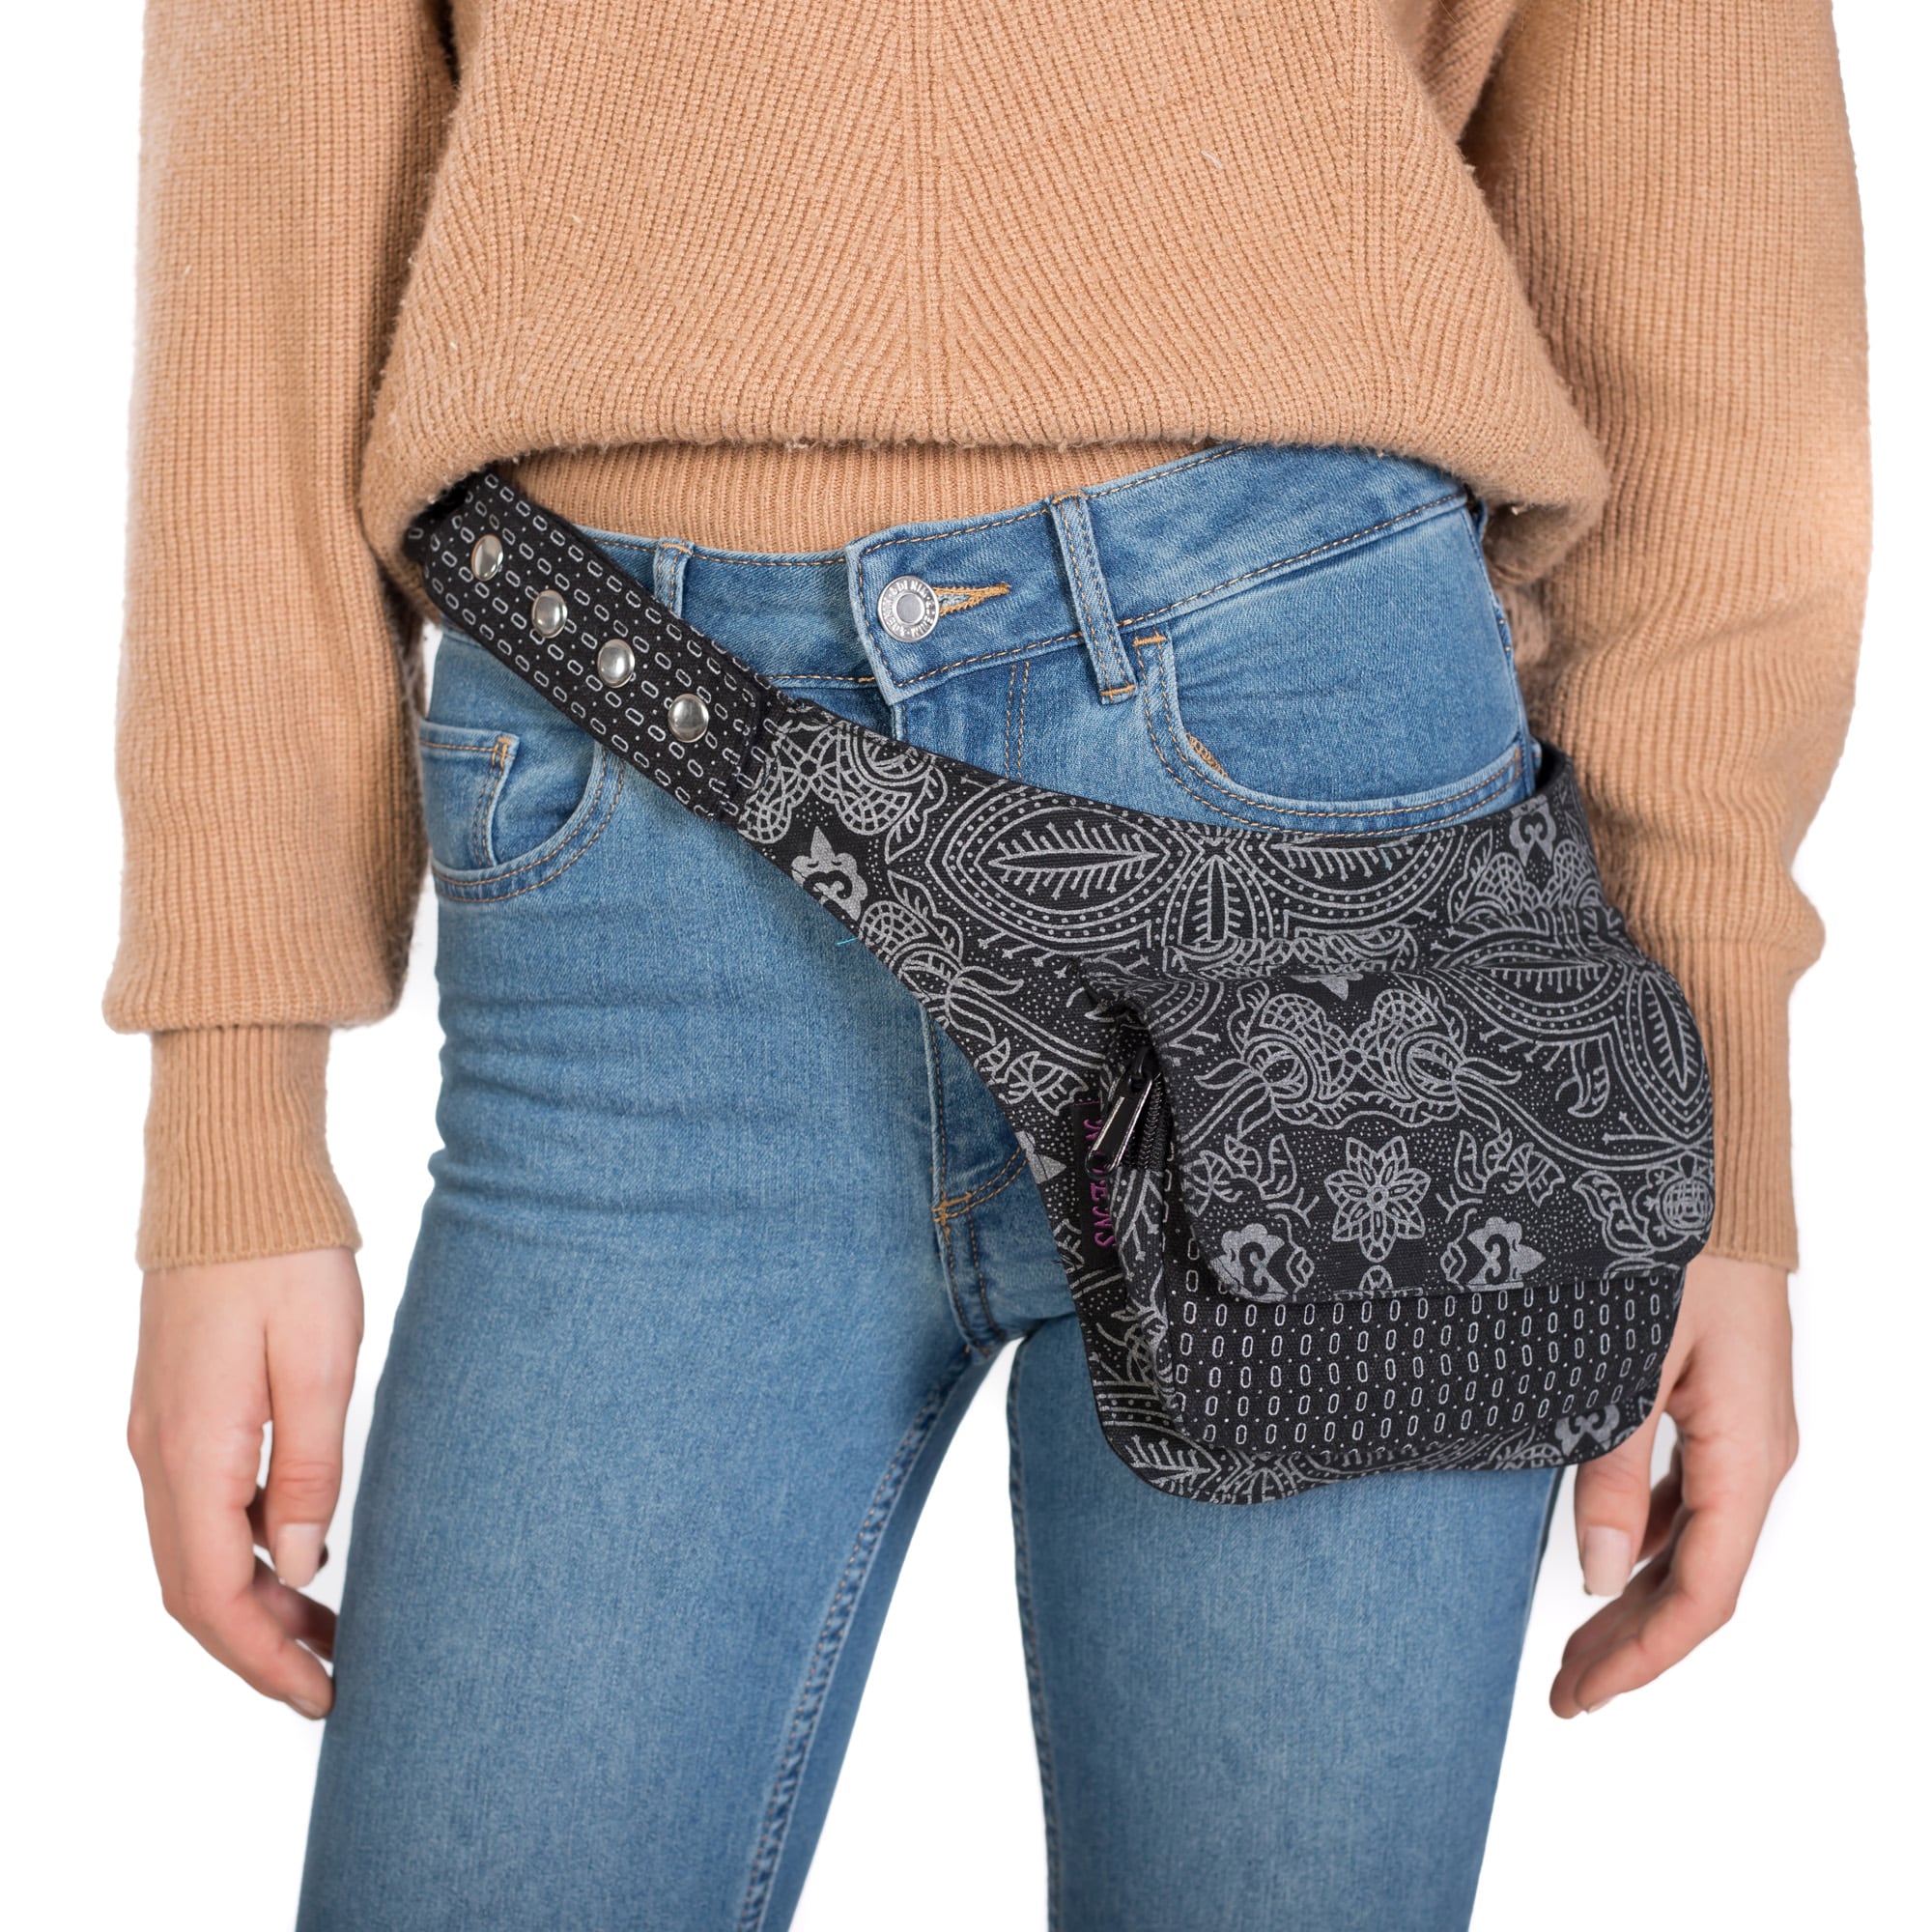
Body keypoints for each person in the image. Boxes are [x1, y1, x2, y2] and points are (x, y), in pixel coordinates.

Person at [114, 3, 1866, 1927]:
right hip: (641, 807)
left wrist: (1717, 1117)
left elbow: (1698, 206)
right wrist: (232, 1109)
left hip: (1329, 849)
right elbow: (264, 236)